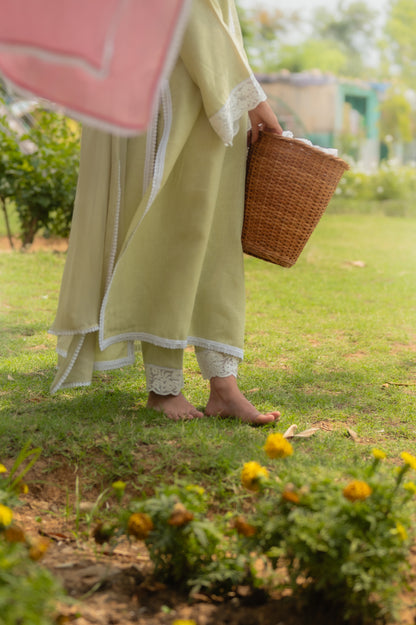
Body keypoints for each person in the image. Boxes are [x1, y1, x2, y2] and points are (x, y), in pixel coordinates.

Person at [50, 0, 283, 425]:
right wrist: (251, 96)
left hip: (206, 88)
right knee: (169, 228)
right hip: (165, 87)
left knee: (212, 233)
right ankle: (164, 388)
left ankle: (223, 385)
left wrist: (240, 89)